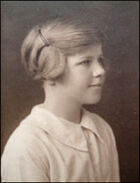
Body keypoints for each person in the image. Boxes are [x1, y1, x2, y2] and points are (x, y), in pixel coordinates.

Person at [1, 16, 120, 182]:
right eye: (85, 62)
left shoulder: (101, 129)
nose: (100, 70)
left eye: (100, 59)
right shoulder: (27, 146)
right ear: (50, 68)